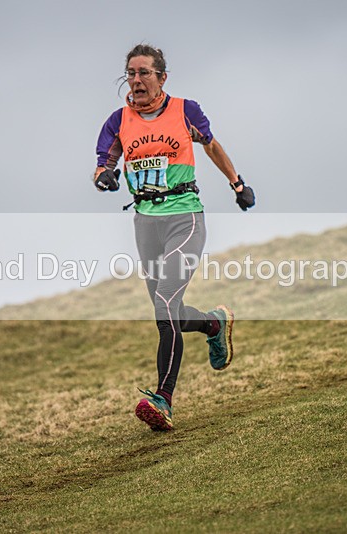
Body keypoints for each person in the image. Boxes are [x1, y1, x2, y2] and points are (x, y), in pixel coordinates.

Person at [93, 44, 255, 431]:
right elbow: (102, 166)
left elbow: (211, 145)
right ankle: (214, 324)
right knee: (166, 312)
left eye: (144, 72)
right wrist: (105, 178)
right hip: (145, 223)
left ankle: (162, 399)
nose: (136, 80)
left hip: (185, 218)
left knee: (166, 302)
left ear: (162, 77)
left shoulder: (186, 111)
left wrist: (237, 184)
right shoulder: (118, 122)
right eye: (130, 73)